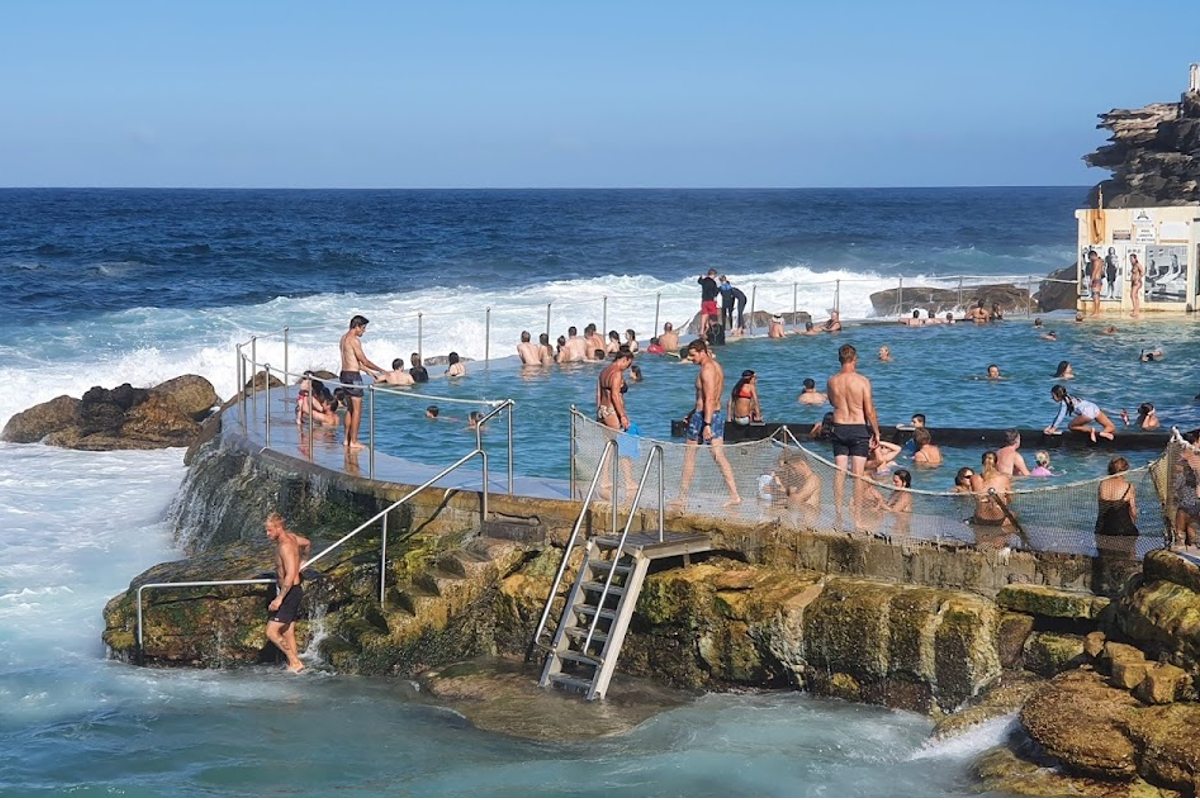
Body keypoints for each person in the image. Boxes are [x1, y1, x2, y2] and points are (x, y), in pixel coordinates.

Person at [675, 338, 742, 507]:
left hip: (705, 417)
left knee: (690, 456)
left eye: (693, 355)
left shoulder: (707, 370)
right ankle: (734, 495)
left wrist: (706, 424)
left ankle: (682, 497)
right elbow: (705, 398)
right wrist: (691, 413)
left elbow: (710, 398)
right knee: (719, 456)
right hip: (713, 415)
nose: (691, 359)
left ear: (702, 351)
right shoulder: (717, 366)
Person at [826, 343, 880, 510]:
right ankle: (856, 518)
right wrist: (876, 432)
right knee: (858, 476)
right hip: (858, 428)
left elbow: (832, 402)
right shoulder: (863, 381)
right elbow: (869, 410)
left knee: (840, 473)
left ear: (839, 359)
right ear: (855, 359)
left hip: (839, 427)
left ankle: (838, 515)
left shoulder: (832, 381)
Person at [264, 512, 311, 673]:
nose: (267, 534)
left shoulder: (285, 546)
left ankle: (295, 662)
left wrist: (279, 598)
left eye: (269, 530)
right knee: (288, 630)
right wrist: (304, 560)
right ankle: (294, 665)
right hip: (293, 591)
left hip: (290, 593)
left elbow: (290, 575)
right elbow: (307, 543)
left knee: (271, 631)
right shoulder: (292, 538)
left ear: (278, 527)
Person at [339, 315, 384, 450]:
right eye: (363, 328)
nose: (363, 331)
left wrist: (369, 372)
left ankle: (346, 440)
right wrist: (382, 370)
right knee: (358, 410)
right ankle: (354, 441)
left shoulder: (343, 338)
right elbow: (364, 360)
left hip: (344, 375)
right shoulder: (354, 340)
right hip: (353, 377)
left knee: (350, 409)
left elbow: (352, 361)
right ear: (357, 326)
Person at [1095, 457, 1139, 552]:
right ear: (1125, 470)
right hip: (1123, 530)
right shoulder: (1128, 486)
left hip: (1103, 529)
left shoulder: (1102, 484)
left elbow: (1101, 510)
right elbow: (1133, 512)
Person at [1046, 384, 1116, 442]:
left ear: (1058, 395)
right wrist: (1052, 426)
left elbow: (1060, 416)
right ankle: (1103, 433)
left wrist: (1053, 429)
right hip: (1094, 407)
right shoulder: (1071, 396)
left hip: (1087, 413)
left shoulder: (1064, 402)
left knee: (1071, 426)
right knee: (1111, 427)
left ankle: (1092, 431)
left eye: (1053, 396)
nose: (1052, 398)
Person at [969, 451, 1015, 532]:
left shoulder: (974, 478)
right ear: (996, 463)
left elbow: (973, 497)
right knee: (1013, 514)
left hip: (981, 518)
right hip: (998, 518)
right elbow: (1010, 499)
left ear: (982, 462)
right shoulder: (1004, 478)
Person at [596, 350, 633, 431]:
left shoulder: (604, 371)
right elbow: (615, 395)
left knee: (606, 442)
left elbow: (599, 394)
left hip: (602, 410)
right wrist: (622, 416)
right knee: (616, 440)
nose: (628, 367)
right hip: (612, 411)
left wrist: (599, 410)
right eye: (628, 364)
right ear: (624, 359)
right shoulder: (617, 373)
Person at [697, 269, 721, 339]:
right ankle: (713, 331)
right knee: (713, 316)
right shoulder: (713, 282)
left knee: (704, 316)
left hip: (704, 301)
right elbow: (715, 292)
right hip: (711, 301)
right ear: (713, 275)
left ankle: (702, 331)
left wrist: (701, 277)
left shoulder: (704, 281)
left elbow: (699, 281)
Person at [1089, 249, 1104, 316]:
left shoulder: (1096, 262)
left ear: (1092, 256)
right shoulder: (1100, 261)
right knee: (1096, 296)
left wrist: (1091, 280)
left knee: (1096, 296)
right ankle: (1096, 311)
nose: (1090, 259)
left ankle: (1096, 312)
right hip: (1098, 279)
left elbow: (1094, 271)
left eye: (1090, 257)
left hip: (1096, 280)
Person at [1129, 252, 1144, 318]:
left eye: (1132, 259)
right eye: (1130, 259)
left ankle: (1135, 311)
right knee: (1135, 296)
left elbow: (1143, 272)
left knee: (1132, 295)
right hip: (1134, 282)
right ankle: (1136, 310)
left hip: (1137, 282)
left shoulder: (1138, 264)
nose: (1131, 260)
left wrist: (1138, 279)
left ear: (1135, 259)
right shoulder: (1133, 265)